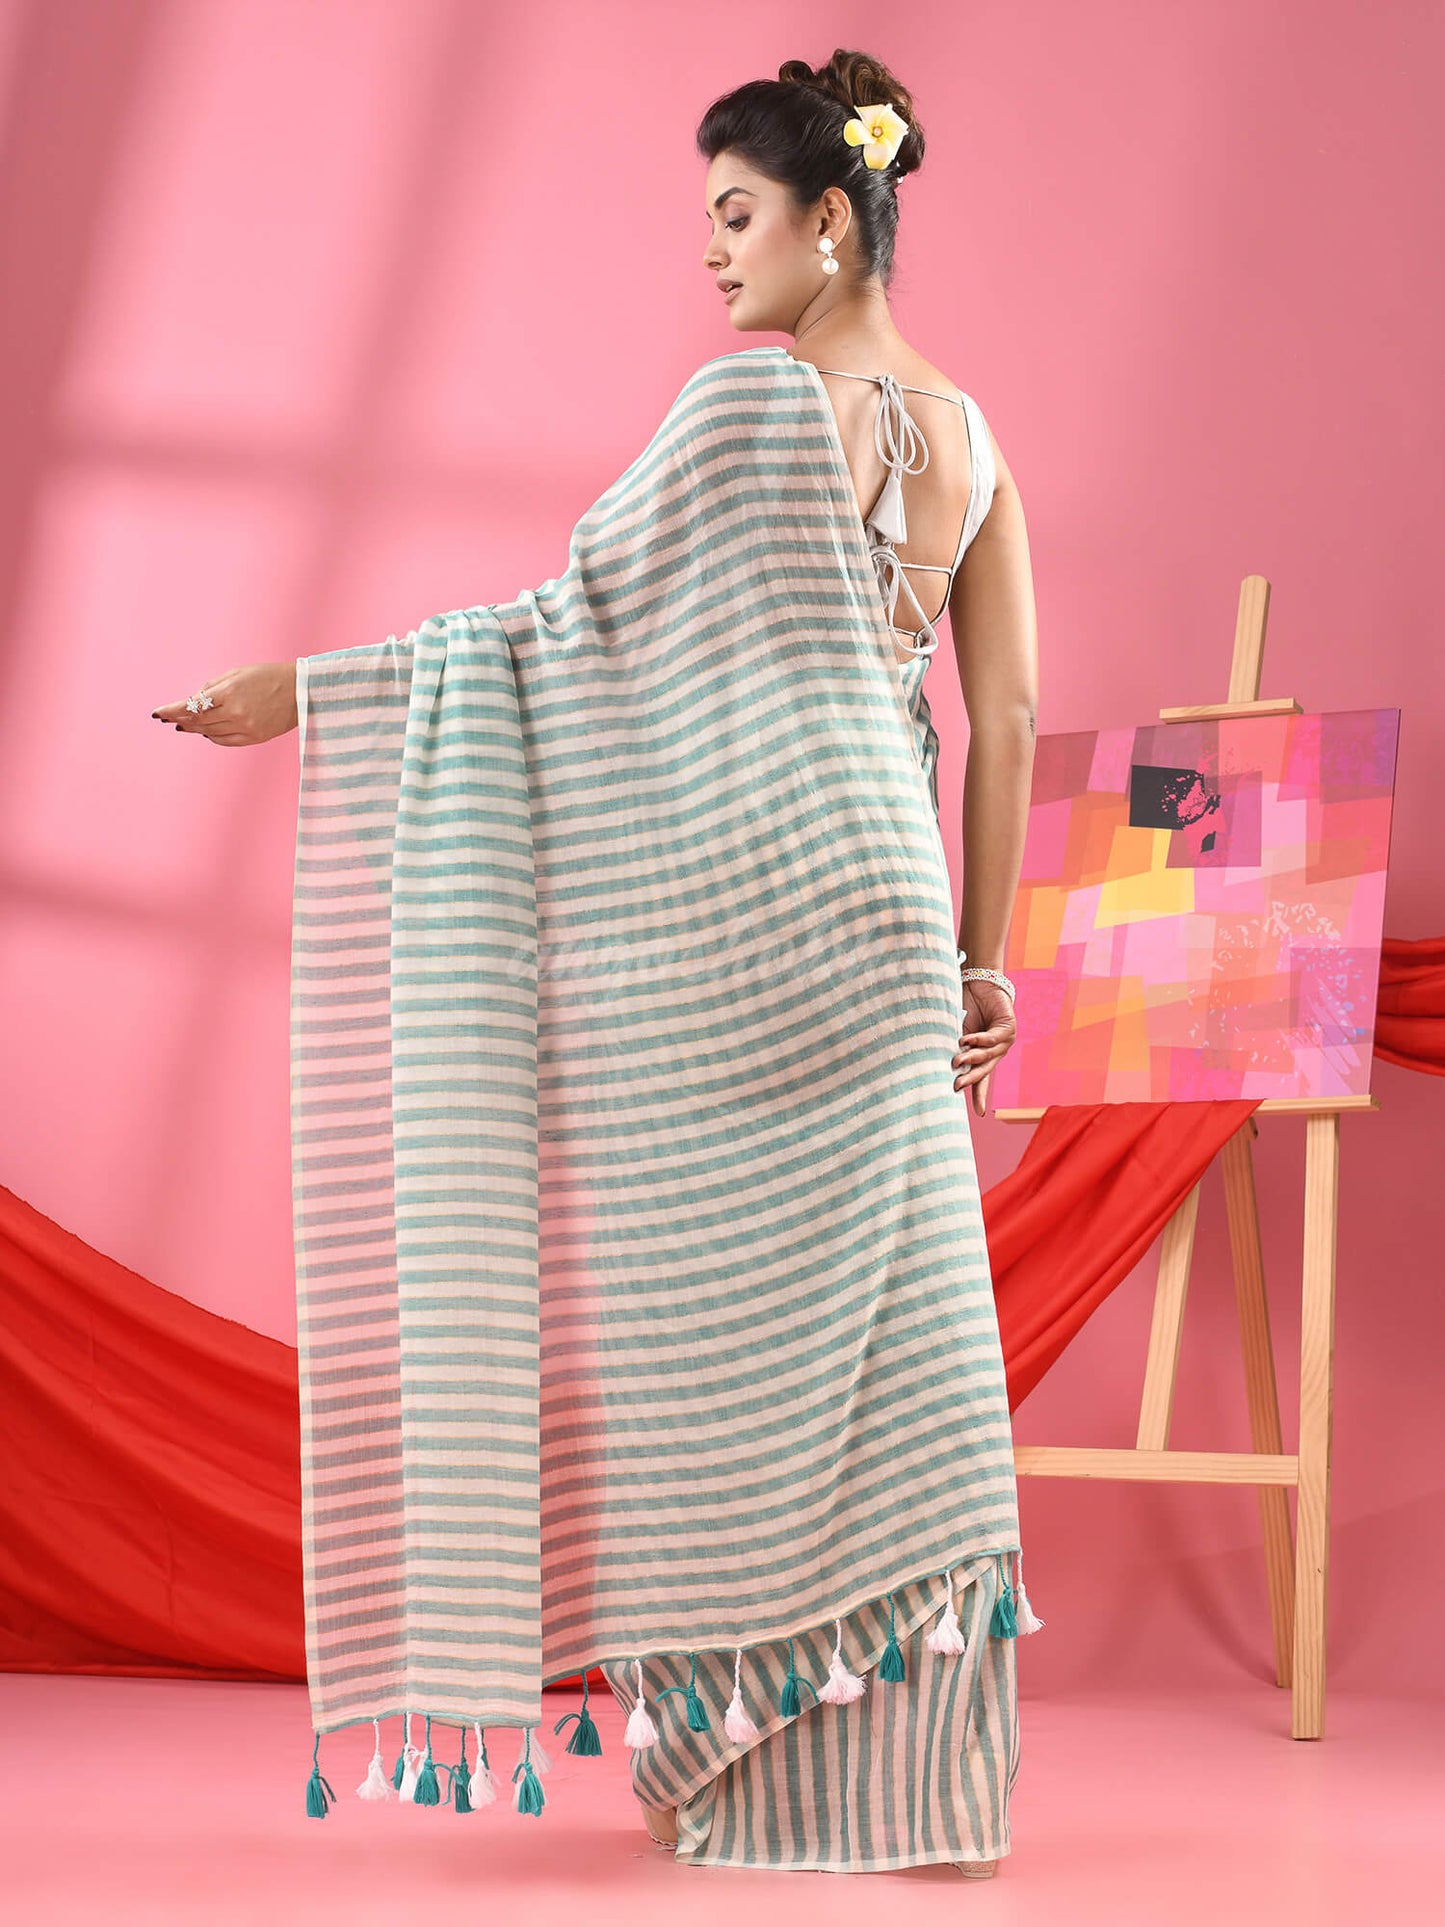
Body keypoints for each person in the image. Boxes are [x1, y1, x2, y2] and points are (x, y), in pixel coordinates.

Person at [152, 47, 1039, 1880]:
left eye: (735, 215)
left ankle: (732, 1762)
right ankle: (924, 1793)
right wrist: (980, 966)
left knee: (700, 1355)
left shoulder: (742, 412)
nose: (711, 255)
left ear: (830, 218)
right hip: (885, 916)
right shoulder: (971, 437)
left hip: (731, 935)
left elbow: (564, 637)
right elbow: (1008, 720)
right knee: (899, 1359)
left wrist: (309, 691)